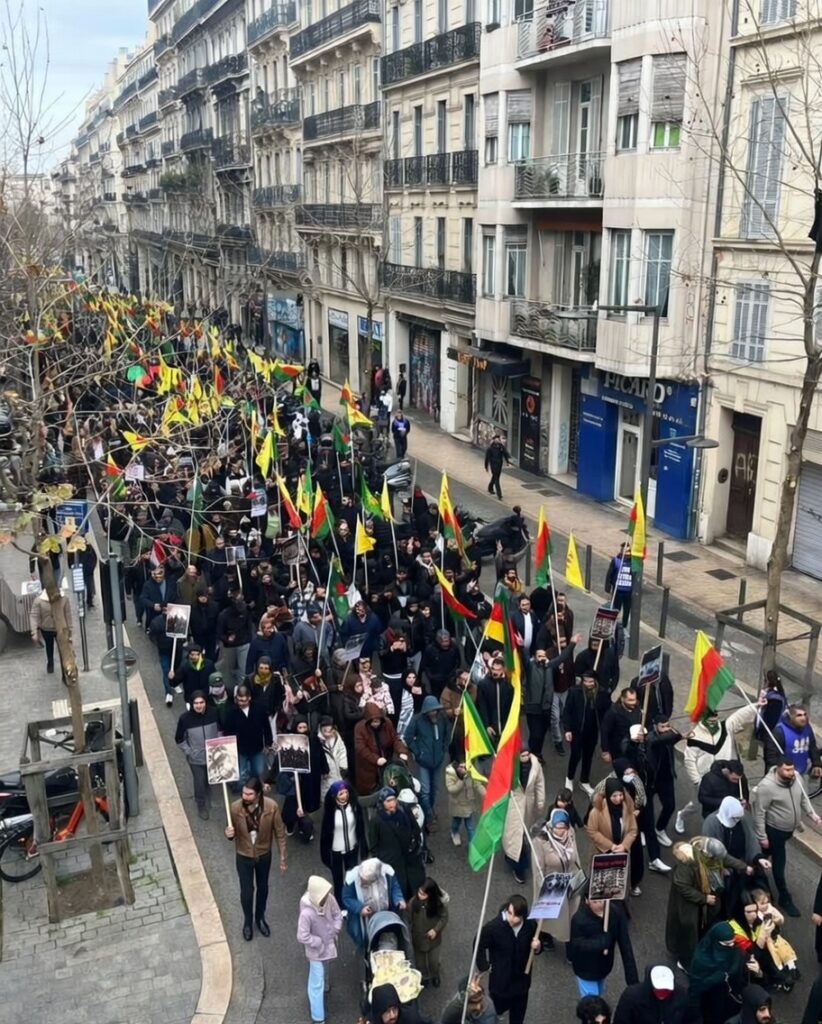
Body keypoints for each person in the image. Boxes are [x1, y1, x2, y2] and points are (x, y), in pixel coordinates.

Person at [666, 836, 752, 969]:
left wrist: (744, 867)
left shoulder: (708, 853)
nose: (719, 862)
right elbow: (683, 887)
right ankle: (685, 962)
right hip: (688, 905)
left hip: (705, 900)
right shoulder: (687, 863)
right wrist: (704, 898)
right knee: (689, 932)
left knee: (702, 928)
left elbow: (725, 858)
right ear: (707, 855)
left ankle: (698, 950)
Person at [677, 701, 761, 835]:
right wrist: (697, 781)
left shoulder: (726, 727)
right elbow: (689, 760)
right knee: (697, 804)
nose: (713, 722)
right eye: (710, 720)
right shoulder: (695, 736)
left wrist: (757, 705)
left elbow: (740, 716)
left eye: (715, 719)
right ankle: (681, 815)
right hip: (705, 779)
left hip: (727, 775)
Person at [752, 754, 822, 916]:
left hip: (788, 831)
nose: (791, 773)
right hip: (774, 831)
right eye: (787, 770)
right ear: (778, 768)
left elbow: (803, 798)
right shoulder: (766, 787)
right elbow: (759, 813)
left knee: (763, 855)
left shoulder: (796, 778)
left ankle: (751, 873)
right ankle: (784, 898)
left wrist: (812, 815)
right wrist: (762, 836)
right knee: (779, 864)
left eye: (792, 769)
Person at [224, 776, 287, 941]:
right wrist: (228, 834)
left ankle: (260, 918)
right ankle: (247, 921)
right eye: (244, 793)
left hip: (263, 855)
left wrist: (282, 856)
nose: (245, 797)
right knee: (246, 892)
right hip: (243, 855)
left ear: (258, 794)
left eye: (249, 794)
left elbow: (280, 832)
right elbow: (231, 832)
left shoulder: (271, 807)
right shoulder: (235, 808)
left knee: (263, 888)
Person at [475, 895, 542, 1024]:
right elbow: (479, 944)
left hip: (522, 983)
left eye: (516, 916)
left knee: (517, 1019)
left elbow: (538, 944)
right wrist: (484, 965)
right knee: (493, 1014)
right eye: (510, 913)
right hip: (501, 984)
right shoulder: (494, 928)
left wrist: (538, 947)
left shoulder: (530, 926)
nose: (511, 918)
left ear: (522, 916)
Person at [568, 896, 638, 997]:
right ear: (587, 900)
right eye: (595, 901)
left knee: (599, 993)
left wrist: (633, 981)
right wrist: (600, 943)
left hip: (604, 967)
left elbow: (625, 946)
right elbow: (575, 945)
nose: (599, 903)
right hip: (585, 970)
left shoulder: (615, 913)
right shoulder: (579, 919)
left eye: (601, 900)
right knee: (592, 1001)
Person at [297, 875, 343, 1024]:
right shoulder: (306, 914)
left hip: (328, 945)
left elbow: (337, 914)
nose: (327, 897)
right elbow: (302, 936)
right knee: (316, 982)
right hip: (315, 952)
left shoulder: (329, 899)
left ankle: (325, 986)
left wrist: (335, 929)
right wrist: (317, 942)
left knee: (325, 967)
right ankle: (318, 1018)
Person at [532, 808, 582, 945]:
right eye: (557, 827)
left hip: (570, 879)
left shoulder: (570, 833)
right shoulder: (540, 841)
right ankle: (545, 935)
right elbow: (538, 868)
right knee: (549, 916)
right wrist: (543, 888)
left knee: (569, 912)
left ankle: (568, 937)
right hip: (552, 883)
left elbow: (575, 855)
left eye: (563, 827)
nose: (560, 831)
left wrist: (578, 876)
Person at [368, 786, 425, 900]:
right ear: (382, 803)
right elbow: (373, 845)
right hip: (392, 862)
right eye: (388, 801)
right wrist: (383, 860)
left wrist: (415, 843)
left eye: (393, 800)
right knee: (399, 892)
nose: (392, 804)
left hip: (410, 858)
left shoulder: (404, 811)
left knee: (415, 889)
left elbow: (415, 828)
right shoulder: (376, 820)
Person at [403, 696, 449, 830]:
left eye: (435, 710)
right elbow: (407, 737)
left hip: (438, 760)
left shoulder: (442, 718)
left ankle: (429, 810)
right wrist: (418, 752)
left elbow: (447, 734)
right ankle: (429, 816)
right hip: (423, 761)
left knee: (435, 789)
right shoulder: (417, 720)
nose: (433, 713)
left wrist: (443, 749)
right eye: (431, 711)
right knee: (425, 790)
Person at [341, 857, 406, 951]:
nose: (361, 881)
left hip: (385, 914)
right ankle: (366, 951)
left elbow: (395, 887)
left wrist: (398, 899)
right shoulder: (352, 879)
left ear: (376, 878)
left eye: (365, 881)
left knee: (385, 933)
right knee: (365, 938)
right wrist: (360, 908)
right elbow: (347, 898)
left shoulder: (388, 873)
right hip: (365, 919)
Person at [686, 922, 745, 1024]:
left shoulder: (735, 950)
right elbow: (696, 987)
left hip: (729, 997)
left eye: (732, 942)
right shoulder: (701, 961)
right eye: (727, 944)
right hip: (709, 999)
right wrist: (715, 979)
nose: (731, 946)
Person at [174, 690, 221, 819]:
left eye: (201, 702)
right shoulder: (185, 719)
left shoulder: (214, 713)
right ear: (191, 704)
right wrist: (190, 752)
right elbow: (179, 739)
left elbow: (220, 729)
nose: (199, 705)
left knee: (208, 778)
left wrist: (219, 745)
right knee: (199, 782)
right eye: (196, 703)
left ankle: (208, 792)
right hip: (196, 759)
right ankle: (201, 805)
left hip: (213, 756)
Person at [320, 780, 367, 905]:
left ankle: (353, 900)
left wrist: (362, 845)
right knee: (338, 880)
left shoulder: (354, 806)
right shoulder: (330, 812)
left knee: (352, 877)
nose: (344, 795)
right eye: (341, 793)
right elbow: (325, 833)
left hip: (352, 848)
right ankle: (340, 904)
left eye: (346, 792)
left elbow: (360, 826)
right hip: (336, 850)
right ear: (334, 796)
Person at [503, 748, 545, 884]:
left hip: (528, 805)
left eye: (527, 754)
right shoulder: (510, 765)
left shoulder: (536, 765)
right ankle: (518, 866)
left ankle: (513, 857)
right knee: (514, 834)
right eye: (523, 755)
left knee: (522, 833)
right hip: (514, 803)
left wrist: (540, 802)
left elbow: (539, 784)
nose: (526, 757)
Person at [563, 672, 606, 796]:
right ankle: (569, 777)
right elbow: (567, 711)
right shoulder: (574, 692)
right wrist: (567, 729)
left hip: (592, 731)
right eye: (585, 681)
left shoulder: (601, 693)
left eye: (591, 681)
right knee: (575, 755)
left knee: (588, 756)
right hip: (577, 730)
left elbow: (606, 710)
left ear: (595, 681)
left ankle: (584, 780)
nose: (588, 684)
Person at [353, 703, 409, 795]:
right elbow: (360, 748)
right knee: (372, 793)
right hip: (368, 768)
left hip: (386, 762)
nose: (376, 724)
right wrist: (376, 759)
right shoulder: (359, 728)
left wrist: (401, 751)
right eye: (373, 722)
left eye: (377, 721)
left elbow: (395, 739)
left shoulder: (387, 724)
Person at [224, 683, 273, 788]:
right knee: (242, 774)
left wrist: (268, 743)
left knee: (258, 771)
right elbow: (228, 732)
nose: (241, 703)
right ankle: (243, 791)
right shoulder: (231, 712)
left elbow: (266, 727)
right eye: (239, 700)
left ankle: (254, 788)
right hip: (240, 749)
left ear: (249, 698)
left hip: (257, 748)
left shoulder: (259, 709)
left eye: (243, 700)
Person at [408, 877, 449, 987]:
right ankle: (424, 977)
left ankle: (435, 975)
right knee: (420, 963)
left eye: (424, 894)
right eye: (419, 892)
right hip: (418, 939)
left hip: (433, 940)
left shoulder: (438, 904)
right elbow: (409, 920)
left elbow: (444, 918)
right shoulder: (413, 903)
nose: (420, 895)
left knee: (433, 962)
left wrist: (436, 930)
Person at [613, 965, 687, 1024]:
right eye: (658, 989)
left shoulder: (682, 996)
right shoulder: (630, 997)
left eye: (666, 989)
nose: (662, 993)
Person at [764, 703, 822, 777]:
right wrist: (778, 775)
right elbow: (771, 757)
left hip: (803, 772)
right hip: (784, 775)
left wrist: (817, 764)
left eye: (805, 714)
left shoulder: (807, 727)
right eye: (799, 715)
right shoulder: (779, 732)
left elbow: (812, 747)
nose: (803, 718)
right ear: (790, 717)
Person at [445, 758, 482, 846]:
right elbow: (452, 789)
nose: (463, 769)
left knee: (470, 827)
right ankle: (454, 832)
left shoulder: (470, 772)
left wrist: (487, 795)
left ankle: (472, 845)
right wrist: (461, 780)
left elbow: (478, 785)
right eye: (461, 766)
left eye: (465, 766)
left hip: (468, 804)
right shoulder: (450, 774)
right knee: (456, 822)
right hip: (457, 805)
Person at [29, 589, 63, 675]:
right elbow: (34, 616)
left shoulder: (61, 598)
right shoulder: (39, 601)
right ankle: (50, 663)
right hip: (46, 629)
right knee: (49, 646)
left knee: (62, 648)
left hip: (59, 628)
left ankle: (64, 665)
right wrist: (34, 632)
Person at [604, 543, 633, 627]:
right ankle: (613, 625)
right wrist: (608, 587)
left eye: (628, 551)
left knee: (627, 609)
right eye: (624, 550)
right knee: (616, 609)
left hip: (628, 591)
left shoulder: (633, 563)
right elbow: (610, 574)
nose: (626, 553)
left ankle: (624, 624)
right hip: (618, 590)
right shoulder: (616, 560)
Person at [484, 434, 511, 500]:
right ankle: (499, 494)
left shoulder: (500, 447)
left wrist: (507, 462)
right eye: (496, 439)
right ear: (493, 440)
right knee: (496, 479)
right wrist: (486, 466)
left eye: (498, 439)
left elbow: (506, 454)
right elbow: (487, 458)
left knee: (495, 477)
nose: (497, 440)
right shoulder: (490, 448)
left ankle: (490, 488)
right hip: (493, 465)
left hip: (499, 465)